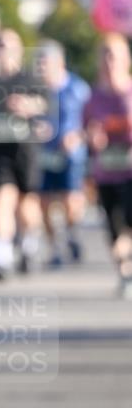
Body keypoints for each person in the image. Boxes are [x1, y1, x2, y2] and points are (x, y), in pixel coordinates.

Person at [0, 29, 47, 279]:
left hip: (26, 149)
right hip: (0, 149)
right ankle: (2, 255)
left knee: (27, 205)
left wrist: (29, 106)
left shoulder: (30, 79)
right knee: (3, 198)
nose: (2, 50)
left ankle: (29, 244)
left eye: (7, 45)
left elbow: (46, 105)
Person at [83, 34, 132, 298]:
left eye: (115, 55)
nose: (110, 61)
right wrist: (92, 137)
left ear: (126, 58)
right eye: (105, 55)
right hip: (106, 172)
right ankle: (125, 273)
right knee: (114, 228)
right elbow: (84, 131)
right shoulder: (93, 98)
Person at [36, 40, 90, 266]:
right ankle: (54, 248)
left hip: (71, 154)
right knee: (44, 202)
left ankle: (71, 231)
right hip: (44, 154)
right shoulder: (36, 91)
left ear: (59, 63)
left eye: (44, 63)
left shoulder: (77, 89)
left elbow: (90, 120)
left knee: (70, 200)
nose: (41, 68)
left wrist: (77, 136)